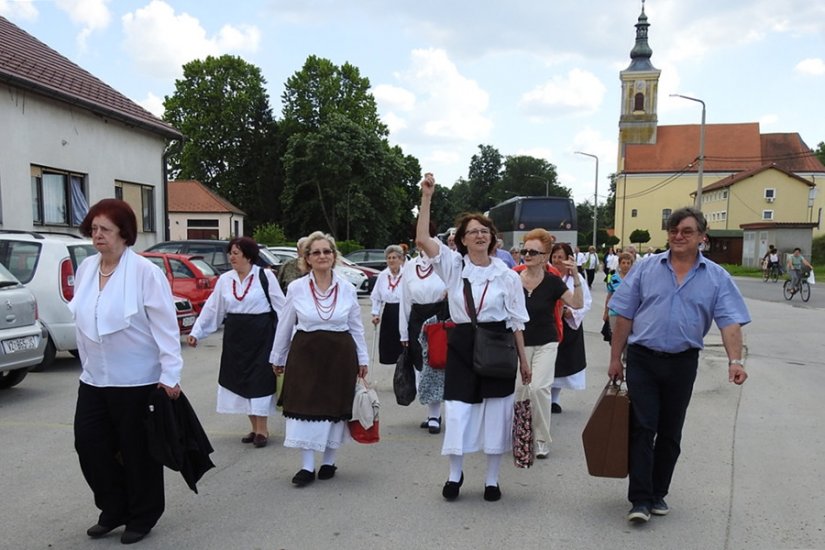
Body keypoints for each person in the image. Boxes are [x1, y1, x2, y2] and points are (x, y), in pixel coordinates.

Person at [607, 207, 750, 524]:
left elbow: (729, 323)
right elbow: (624, 315)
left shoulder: (716, 277)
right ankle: (640, 499)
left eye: (686, 231)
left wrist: (735, 361)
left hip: (683, 362)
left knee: (670, 432)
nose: (678, 236)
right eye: (673, 230)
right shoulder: (646, 269)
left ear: (702, 237)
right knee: (643, 427)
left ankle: (658, 493)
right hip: (643, 357)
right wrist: (616, 358)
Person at [70, 199, 183, 545]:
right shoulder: (88, 268)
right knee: (89, 444)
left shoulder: (145, 272)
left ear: (124, 233)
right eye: (93, 229)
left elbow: (166, 326)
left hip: (137, 379)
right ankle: (113, 507)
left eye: (105, 229)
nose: (97, 235)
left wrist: (171, 374)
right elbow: (84, 319)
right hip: (94, 379)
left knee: (137, 451)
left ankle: (143, 514)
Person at [416, 173, 530, 503]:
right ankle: (455, 474)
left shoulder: (508, 276)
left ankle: (492, 480)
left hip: (497, 346)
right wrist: (427, 198)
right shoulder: (453, 267)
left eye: (484, 231)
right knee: (458, 411)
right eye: (473, 232)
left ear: (493, 238)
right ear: (462, 240)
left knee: (497, 412)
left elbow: (517, 321)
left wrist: (524, 362)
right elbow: (422, 238)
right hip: (464, 344)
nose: (479, 236)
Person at [270, 231, 369, 487]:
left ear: (334, 256)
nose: (322, 256)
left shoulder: (346, 288)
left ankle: (328, 460)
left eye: (327, 251)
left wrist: (363, 359)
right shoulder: (296, 287)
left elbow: (356, 326)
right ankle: (306, 466)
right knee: (304, 408)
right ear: (307, 259)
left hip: (340, 354)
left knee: (334, 409)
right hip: (305, 353)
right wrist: (277, 356)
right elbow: (285, 324)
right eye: (317, 252)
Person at [188, 237, 286, 448]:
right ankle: (253, 427)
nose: (231, 257)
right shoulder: (225, 280)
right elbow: (214, 308)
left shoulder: (265, 276)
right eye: (230, 253)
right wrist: (197, 332)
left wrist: (289, 337)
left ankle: (262, 430)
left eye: (235, 253)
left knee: (260, 381)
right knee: (240, 381)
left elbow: (282, 308)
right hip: (236, 337)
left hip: (261, 337)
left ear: (248, 256)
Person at [516, 229, 583, 458]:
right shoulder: (513, 278)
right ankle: (523, 434)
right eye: (525, 250)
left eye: (533, 251)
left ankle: (542, 439)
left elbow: (576, 302)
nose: (527, 254)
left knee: (539, 388)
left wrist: (575, 277)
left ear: (545, 256)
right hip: (519, 344)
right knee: (522, 390)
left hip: (546, 342)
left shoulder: (554, 281)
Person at [399, 222, 449, 434]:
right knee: (421, 365)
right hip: (417, 317)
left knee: (436, 364)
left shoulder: (445, 262)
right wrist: (403, 332)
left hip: (439, 315)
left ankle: (435, 415)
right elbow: (404, 299)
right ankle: (431, 409)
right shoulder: (409, 267)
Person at [550, 243, 592, 414]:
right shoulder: (547, 275)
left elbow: (586, 301)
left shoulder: (577, 279)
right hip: (548, 325)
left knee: (562, 363)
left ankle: (554, 398)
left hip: (567, 326)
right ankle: (544, 396)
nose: (557, 260)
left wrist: (570, 312)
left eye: (561, 257)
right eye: (554, 257)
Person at [370, 245, 405, 364]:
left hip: (403, 311)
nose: (391, 260)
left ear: (401, 259)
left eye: (394, 257)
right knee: (390, 346)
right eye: (389, 258)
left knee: (404, 344)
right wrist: (375, 313)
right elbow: (376, 297)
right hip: (389, 312)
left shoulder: (407, 274)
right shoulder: (382, 276)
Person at [603, 252, 635, 336]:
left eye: (628, 263)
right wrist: (606, 312)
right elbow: (609, 296)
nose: (626, 265)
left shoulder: (635, 279)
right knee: (616, 337)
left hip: (629, 313)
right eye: (623, 263)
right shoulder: (614, 278)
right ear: (619, 264)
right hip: (614, 312)